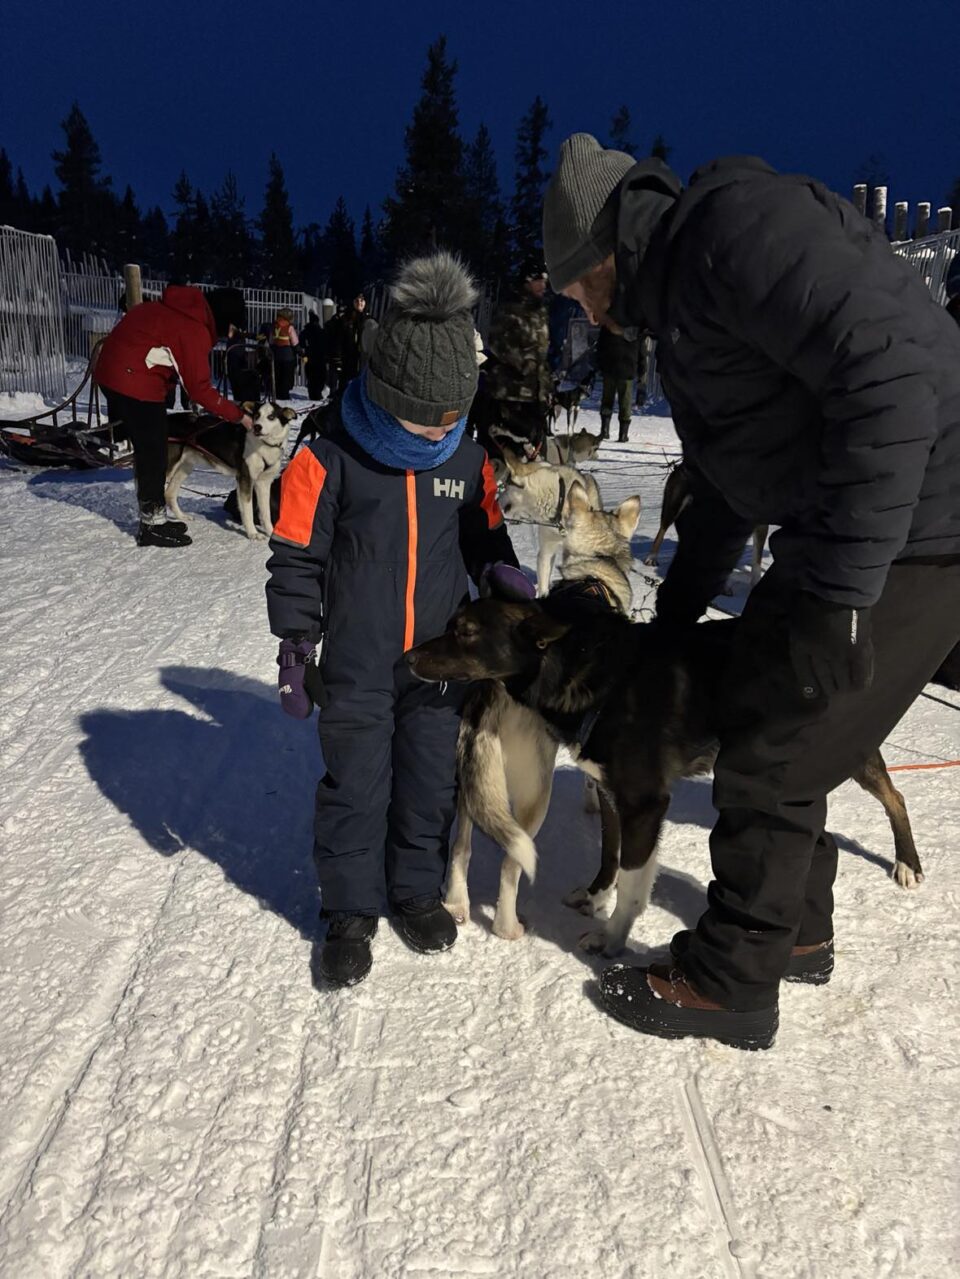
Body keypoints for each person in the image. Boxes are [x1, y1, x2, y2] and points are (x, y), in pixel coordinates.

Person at [543, 134, 960, 1050]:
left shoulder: (734, 232)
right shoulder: (686, 308)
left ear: (603, 252)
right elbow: (735, 476)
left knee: (777, 741)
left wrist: (844, 596)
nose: (578, 305)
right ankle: (796, 933)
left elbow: (892, 375)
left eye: (574, 285)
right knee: (764, 701)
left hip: (923, 522)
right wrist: (677, 614)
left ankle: (731, 980)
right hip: (857, 527)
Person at [265, 252, 518, 988]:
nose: (439, 427)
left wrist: (501, 568)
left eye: (451, 415)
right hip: (358, 662)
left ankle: (413, 887)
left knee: (430, 779)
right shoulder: (329, 456)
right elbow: (294, 554)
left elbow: (484, 530)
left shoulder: (469, 458)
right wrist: (295, 641)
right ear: (383, 386)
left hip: (440, 661)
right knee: (358, 784)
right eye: (426, 414)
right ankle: (348, 908)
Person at [95, 285, 253, 547]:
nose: (231, 334)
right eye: (232, 327)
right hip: (132, 380)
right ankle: (152, 524)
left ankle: (155, 515)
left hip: (117, 372)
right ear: (224, 319)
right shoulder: (192, 329)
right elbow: (200, 389)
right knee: (154, 449)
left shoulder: (176, 311)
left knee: (153, 441)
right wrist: (238, 416)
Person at [484, 263, 553, 442]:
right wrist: (523, 363)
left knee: (533, 451)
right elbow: (498, 343)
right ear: (527, 282)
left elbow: (541, 349)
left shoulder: (540, 311)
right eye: (539, 281)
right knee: (503, 448)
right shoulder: (509, 308)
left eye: (545, 281)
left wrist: (546, 380)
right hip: (509, 392)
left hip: (535, 394)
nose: (543, 286)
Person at [595, 327, 640, 441]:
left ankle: (604, 430)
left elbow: (600, 346)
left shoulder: (609, 324)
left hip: (610, 367)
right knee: (625, 401)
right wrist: (641, 368)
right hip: (627, 368)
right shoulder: (634, 327)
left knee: (607, 399)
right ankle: (623, 434)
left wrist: (600, 365)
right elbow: (641, 349)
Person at [270, 308, 299, 399]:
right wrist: (300, 352)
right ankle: (284, 394)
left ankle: (277, 393)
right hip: (288, 355)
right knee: (286, 376)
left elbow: (271, 341)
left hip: (276, 353)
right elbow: (294, 342)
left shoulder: (274, 326)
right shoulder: (289, 327)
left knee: (277, 374)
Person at [299, 310, 327, 400]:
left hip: (309, 357)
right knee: (320, 377)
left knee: (311, 377)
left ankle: (312, 394)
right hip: (320, 358)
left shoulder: (305, 332)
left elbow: (301, 343)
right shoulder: (321, 332)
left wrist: (304, 353)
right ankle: (318, 393)